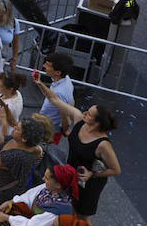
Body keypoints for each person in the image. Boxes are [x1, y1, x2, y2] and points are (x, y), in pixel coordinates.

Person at [35, 83, 121, 218]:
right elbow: (55, 100)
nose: (85, 112)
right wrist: (39, 83)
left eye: (90, 114)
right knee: (69, 209)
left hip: (88, 183)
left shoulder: (103, 144)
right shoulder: (80, 119)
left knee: (81, 215)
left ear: (97, 123)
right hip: (71, 174)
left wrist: (91, 174)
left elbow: (116, 170)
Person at [0, 116, 49, 223]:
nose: (14, 127)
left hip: (3, 195)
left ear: (24, 138)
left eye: (17, 129)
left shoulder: (18, 156)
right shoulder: (17, 142)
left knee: (0, 225)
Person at [0, 165, 80, 226]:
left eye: (46, 178)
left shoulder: (58, 210)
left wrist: (7, 218)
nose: (43, 179)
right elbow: (29, 196)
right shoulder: (48, 188)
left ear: (58, 185)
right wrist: (11, 201)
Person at [37, 51, 76, 142]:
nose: (44, 66)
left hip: (48, 131)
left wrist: (64, 130)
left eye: (48, 65)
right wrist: (39, 83)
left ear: (57, 72)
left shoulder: (60, 93)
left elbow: (66, 119)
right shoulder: (66, 79)